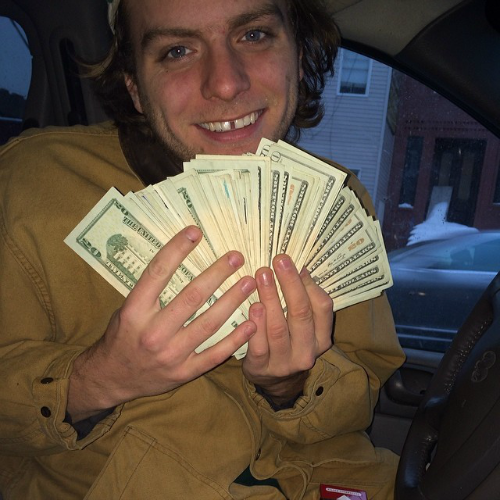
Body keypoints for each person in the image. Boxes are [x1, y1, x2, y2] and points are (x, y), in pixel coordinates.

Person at [0, 0, 405, 498]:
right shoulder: (30, 183)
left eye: (253, 35)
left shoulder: (336, 199)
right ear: (135, 86)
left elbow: (365, 388)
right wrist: (98, 379)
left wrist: (291, 388)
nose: (226, 83)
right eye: (177, 50)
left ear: (298, 57)